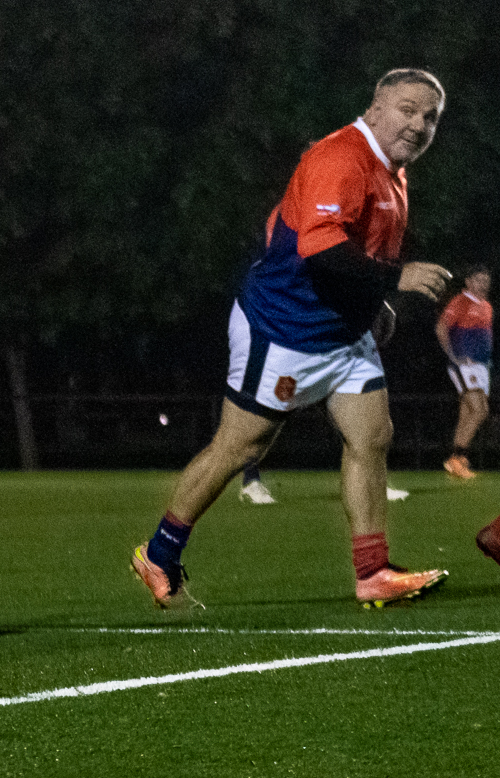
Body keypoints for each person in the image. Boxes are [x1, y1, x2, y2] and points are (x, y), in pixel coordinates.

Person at [133, 70, 453, 611]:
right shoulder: (340, 157)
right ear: (376, 105)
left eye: (431, 117)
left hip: (342, 334)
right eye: (408, 109)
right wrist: (393, 281)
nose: (418, 124)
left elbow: (354, 253)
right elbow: (323, 251)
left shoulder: (391, 172)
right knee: (240, 448)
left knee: (372, 436)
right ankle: (159, 554)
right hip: (281, 329)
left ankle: (373, 572)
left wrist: (375, 305)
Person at [435, 265, 489, 481]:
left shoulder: (486, 305)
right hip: (464, 365)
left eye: (486, 280)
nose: (482, 284)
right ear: (468, 282)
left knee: (470, 411)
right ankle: (457, 458)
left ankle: (458, 460)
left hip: (481, 366)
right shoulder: (461, 301)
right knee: (478, 410)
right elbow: (441, 327)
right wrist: (453, 355)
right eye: (478, 280)